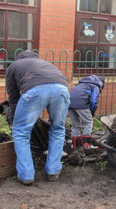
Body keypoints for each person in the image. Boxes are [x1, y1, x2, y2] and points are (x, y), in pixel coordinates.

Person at [6, 51, 70, 185]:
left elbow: (13, 97)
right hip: (61, 90)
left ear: (20, 58)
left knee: (21, 132)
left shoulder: (14, 66)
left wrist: (13, 120)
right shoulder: (45, 64)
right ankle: (53, 171)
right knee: (58, 129)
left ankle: (26, 175)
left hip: (34, 91)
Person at [68, 75, 105, 149]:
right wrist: (92, 112)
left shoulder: (81, 84)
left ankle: (75, 145)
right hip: (81, 104)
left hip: (69, 104)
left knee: (76, 125)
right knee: (88, 122)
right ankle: (86, 145)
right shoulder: (95, 86)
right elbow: (93, 101)